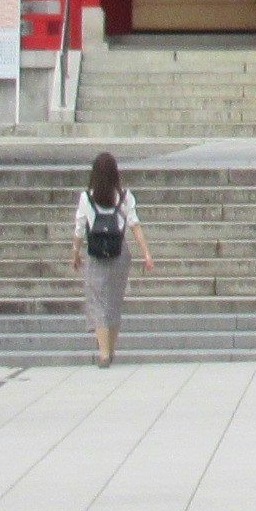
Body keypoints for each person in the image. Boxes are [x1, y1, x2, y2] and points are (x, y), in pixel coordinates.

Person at [68, 151, 157, 367]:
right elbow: (134, 225)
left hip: (95, 253)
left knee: (98, 302)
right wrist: (146, 253)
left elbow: (79, 229)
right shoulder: (125, 197)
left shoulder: (86, 198)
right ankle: (111, 349)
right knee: (114, 302)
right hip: (119, 253)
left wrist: (75, 254)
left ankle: (104, 353)